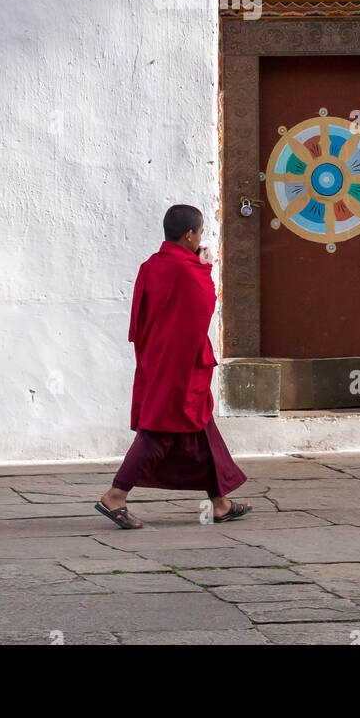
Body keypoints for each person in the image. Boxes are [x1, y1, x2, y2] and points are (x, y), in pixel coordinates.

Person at [96, 204, 251, 530]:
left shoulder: (151, 266)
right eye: (200, 232)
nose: (200, 240)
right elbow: (204, 307)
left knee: (200, 425)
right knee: (161, 429)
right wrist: (204, 267)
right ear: (190, 234)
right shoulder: (187, 269)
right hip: (178, 363)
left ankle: (219, 503)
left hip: (158, 356)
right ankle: (116, 495)